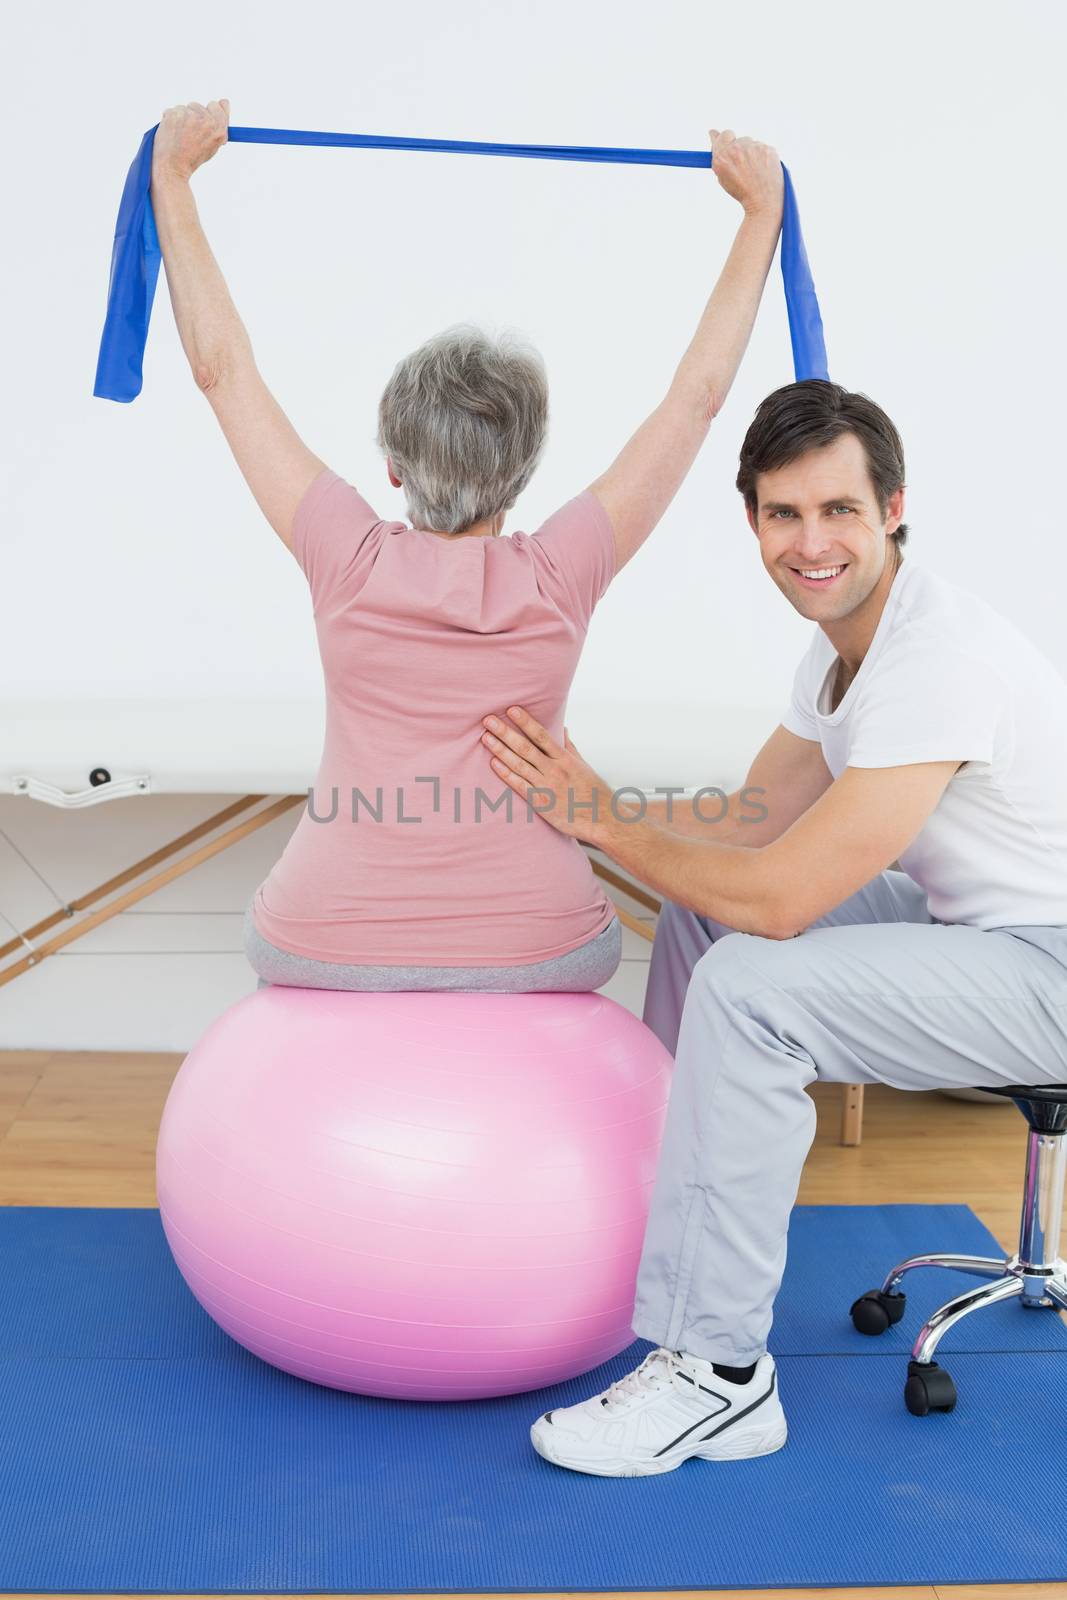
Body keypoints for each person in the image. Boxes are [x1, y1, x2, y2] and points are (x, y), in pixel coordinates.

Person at [481, 377, 1067, 1475]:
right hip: (981, 931)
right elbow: (747, 833)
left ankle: (718, 1374)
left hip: (1049, 965)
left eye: (837, 509)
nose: (811, 542)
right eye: (783, 514)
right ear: (750, 520)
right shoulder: (838, 649)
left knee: (753, 990)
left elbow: (786, 897)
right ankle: (660, 1229)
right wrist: (573, 808)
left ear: (891, 507)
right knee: (709, 922)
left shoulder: (934, 657)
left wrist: (597, 816)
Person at [147, 99, 785, 992]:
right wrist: (761, 215)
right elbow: (696, 399)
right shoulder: (564, 566)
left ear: (393, 468)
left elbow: (223, 372)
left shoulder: (346, 553)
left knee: (269, 924)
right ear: (524, 470)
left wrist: (171, 180)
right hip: (541, 943)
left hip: (323, 937)